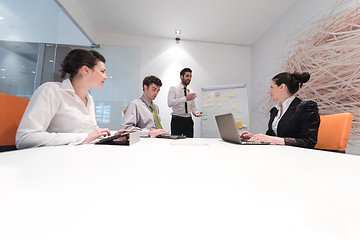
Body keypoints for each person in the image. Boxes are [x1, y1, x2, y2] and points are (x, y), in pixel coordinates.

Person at [16, 49, 127, 149]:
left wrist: (113, 136)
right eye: (102, 71)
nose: (105, 76)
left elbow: (91, 133)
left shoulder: (89, 99)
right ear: (86, 70)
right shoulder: (51, 91)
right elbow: (25, 138)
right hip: (54, 161)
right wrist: (83, 137)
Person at [240, 72, 320, 148]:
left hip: (297, 156)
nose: (269, 92)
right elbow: (273, 136)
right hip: (278, 153)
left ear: (282, 87)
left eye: (271, 87)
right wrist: (254, 137)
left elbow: (309, 142)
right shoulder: (275, 110)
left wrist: (271, 139)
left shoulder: (306, 107)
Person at [167, 68, 202, 138]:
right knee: (176, 144)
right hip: (177, 121)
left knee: (189, 143)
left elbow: (193, 106)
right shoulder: (173, 88)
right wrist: (185, 98)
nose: (189, 78)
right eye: (187, 76)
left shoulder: (190, 92)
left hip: (188, 121)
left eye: (190, 76)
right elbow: (170, 103)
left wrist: (195, 113)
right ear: (181, 77)